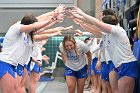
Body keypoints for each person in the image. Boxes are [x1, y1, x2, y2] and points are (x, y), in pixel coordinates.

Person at [69, 7, 139, 93]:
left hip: (127, 65)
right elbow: (93, 27)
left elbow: (95, 23)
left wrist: (81, 13)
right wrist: (78, 18)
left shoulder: (117, 30)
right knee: (114, 89)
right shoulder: (107, 33)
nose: (100, 25)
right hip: (120, 65)